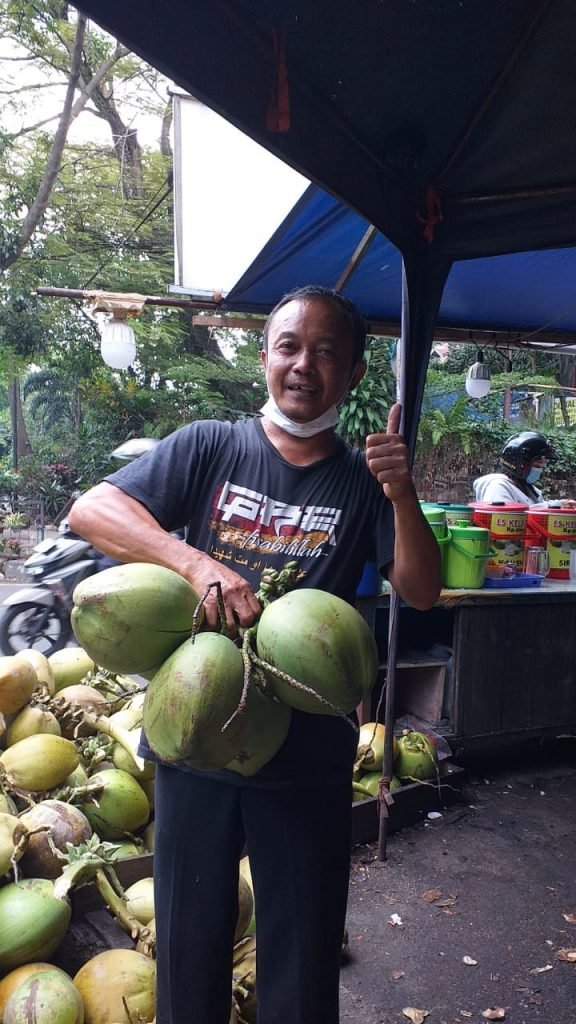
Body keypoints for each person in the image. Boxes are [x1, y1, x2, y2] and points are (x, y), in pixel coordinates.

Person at [68, 285, 441, 1024]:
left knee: (301, 966)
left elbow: (422, 592)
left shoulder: (365, 482)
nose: (305, 365)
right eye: (289, 347)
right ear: (265, 357)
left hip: (308, 753)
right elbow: (93, 511)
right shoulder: (211, 444)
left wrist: (403, 495)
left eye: (326, 352)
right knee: (187, 951)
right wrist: (195, 563)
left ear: (355, 373)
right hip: (196, 738)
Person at [473, 430, 561, 505]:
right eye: (537, 466)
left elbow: (538, 509)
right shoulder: (498, 486)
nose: (539, 470)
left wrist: (559, 505)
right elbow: (505, 516)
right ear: (521, 464)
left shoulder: (530, 490)